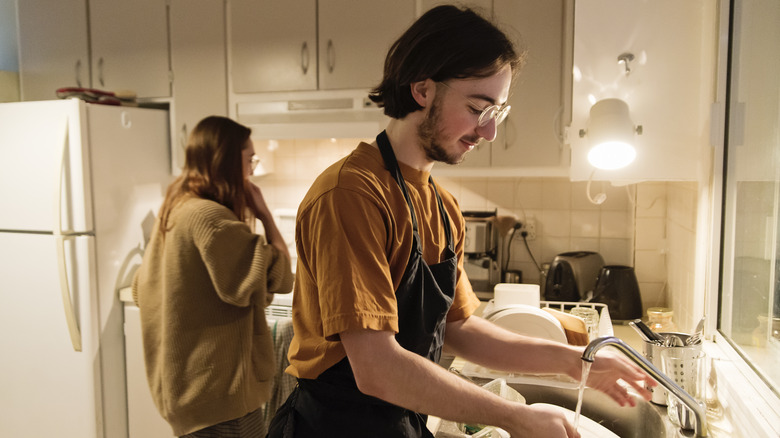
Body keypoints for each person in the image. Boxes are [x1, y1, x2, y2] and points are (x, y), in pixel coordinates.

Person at [268, 5, 654, 438]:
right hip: (335, 427)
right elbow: (376, 368)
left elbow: (460, 329)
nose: (488, 133)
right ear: (422, 90)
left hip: (399, 420)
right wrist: (518, 418)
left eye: (497, 114)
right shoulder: (352, 194)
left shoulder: (443, 206)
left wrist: (576, 362)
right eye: (477, 108)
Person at [132, 116, 294, 437]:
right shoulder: (211, 218)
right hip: (218, 395)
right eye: (250, 160)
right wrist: (264, 214)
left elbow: (141, 289)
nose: (252, 170)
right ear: (228, 161)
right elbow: (282, 276)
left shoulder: (178, 206)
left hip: (190, 389)